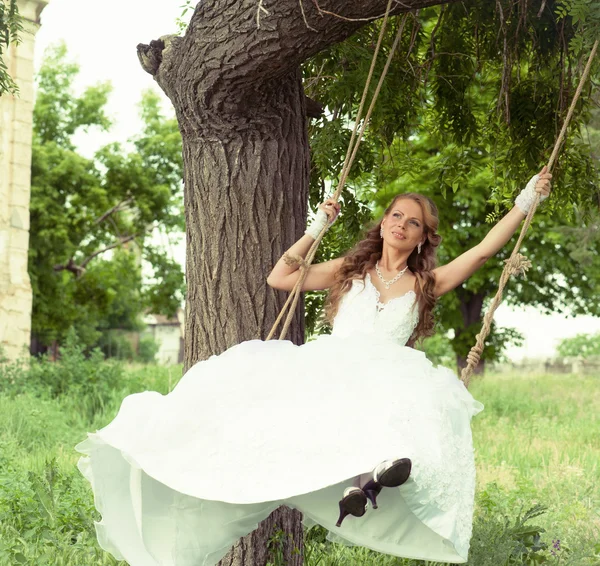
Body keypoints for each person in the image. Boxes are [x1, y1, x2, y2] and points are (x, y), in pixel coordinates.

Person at [76, 168, 552, 566]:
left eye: (414, 223)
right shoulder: (349, 270)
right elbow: (280, 277)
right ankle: (363, 484)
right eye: (396, 215)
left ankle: (368, 484)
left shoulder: (425, 282)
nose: (402, 225)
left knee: (421, 405)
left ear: (425, 237)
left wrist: (525, 202)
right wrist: (314, 228)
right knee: (280, 424)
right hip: (333, 364)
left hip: (387, 371)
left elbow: (484, 251)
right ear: (384, 222)